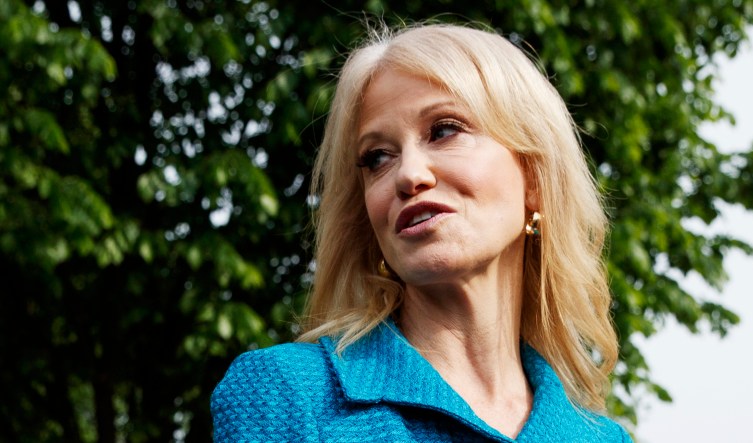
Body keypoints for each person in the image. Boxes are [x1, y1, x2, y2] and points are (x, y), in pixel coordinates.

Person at [211, 23, 632, 442]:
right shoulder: (285, 394)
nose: (408, 175)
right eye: (377, 157)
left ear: (534, 179)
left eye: (444, 130)